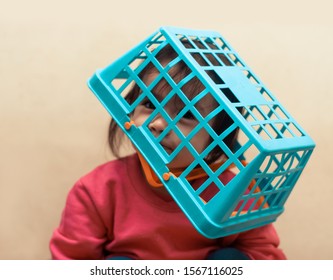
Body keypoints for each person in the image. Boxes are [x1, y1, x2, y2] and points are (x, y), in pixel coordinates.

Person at [50, 42, 286, 260]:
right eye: (149, 104)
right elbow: (71, 260)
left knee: (232, 260)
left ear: (219, 137)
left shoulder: (234, 194)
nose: (159, 123)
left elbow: (265, 255)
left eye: (187, 115)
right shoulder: (96, 191)